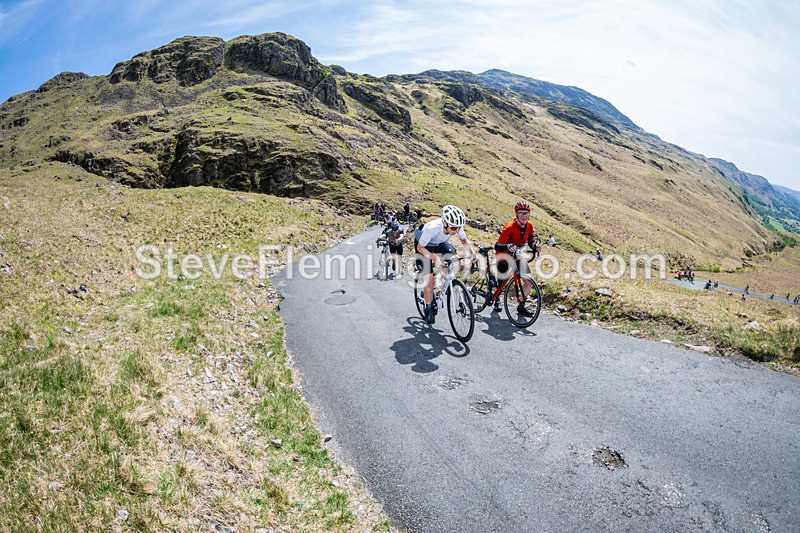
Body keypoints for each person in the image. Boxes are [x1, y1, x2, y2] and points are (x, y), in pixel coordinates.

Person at [415, 205, 474, 324]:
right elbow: (420, 248)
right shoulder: (432, 228)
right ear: (444, 223)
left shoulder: (455, 225)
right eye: (453, 228)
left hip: (439, 243)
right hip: (424, 245)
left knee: (457, 263)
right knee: (429, 280)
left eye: (458, 228)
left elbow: (464, 240)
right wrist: (434, 258)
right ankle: (428, 307)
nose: (456, 231)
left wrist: (473, 254)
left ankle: (446, 284)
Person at [494, 201, 539, 316]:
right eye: (521, 213)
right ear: (516, 214)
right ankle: (497, 300)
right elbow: (497, 245)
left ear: (529, 214)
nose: (524, 216)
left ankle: (521, 306)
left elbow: (531, 241)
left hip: (518, 257)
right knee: (501, 282)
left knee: (528, 282)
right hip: (504, 256)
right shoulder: (509, 227)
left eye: (526, 213)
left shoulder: (529, 226)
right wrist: (508, 245)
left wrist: (535, 247)